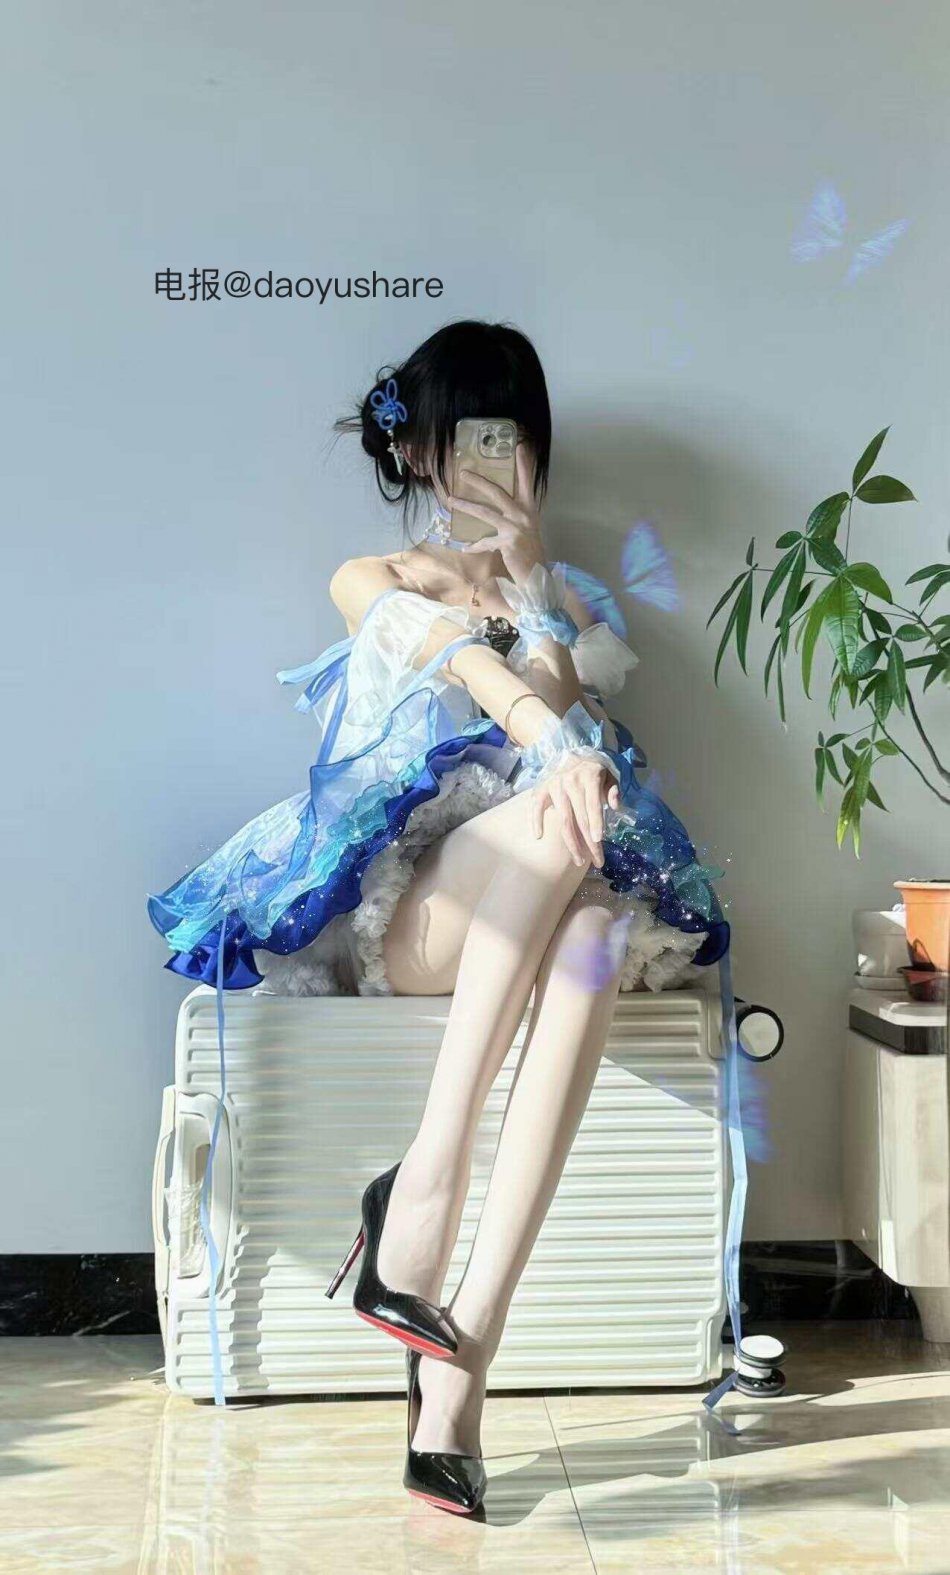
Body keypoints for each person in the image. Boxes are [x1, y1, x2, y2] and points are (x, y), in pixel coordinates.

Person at [147, 318, 728, 1514]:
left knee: (595, 932)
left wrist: (534, 580)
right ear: (415, 449)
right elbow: (473, 671)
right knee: (555, 813)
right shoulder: (373, 580)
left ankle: (463, 1366)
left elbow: (558, 695)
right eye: (468, 433)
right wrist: (553, 738)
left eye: (512, 434)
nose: (493, 457)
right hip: (418, 923)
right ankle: (425, 1180)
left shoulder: (553, 598)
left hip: (543, 911)